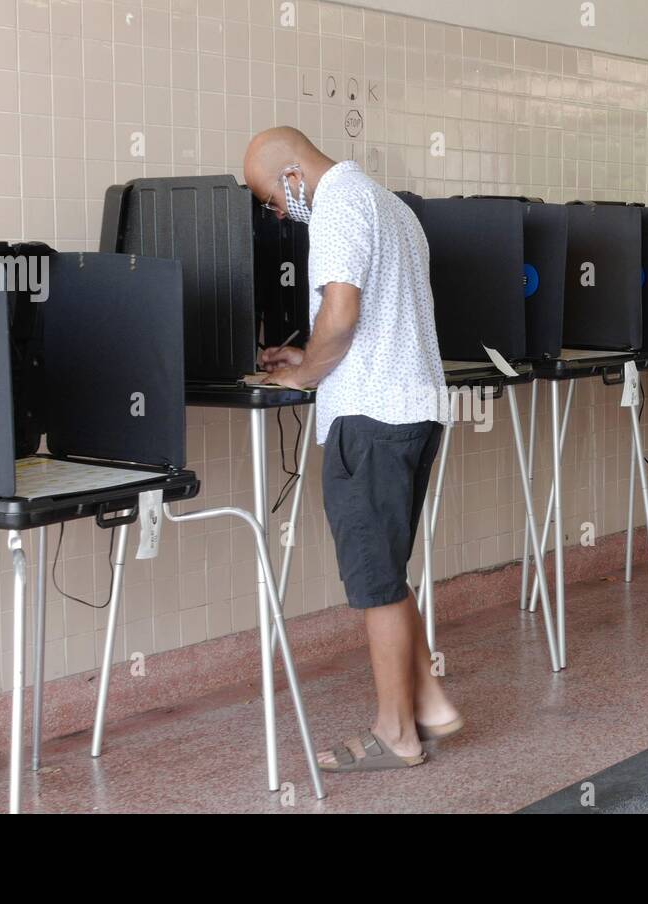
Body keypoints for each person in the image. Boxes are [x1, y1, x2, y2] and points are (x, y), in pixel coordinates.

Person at [244, 127, 461, 772]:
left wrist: (303, 374)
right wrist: (305, 354)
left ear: (290, 176)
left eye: (273, 199)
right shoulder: (389, 204)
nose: (279, 214)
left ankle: (396, 732)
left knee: (373, 581)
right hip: (415, 408)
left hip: (368, 417)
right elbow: (378, 317)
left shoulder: (336, 204)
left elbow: (341, 312)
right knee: (388, 569)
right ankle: (429, 704)